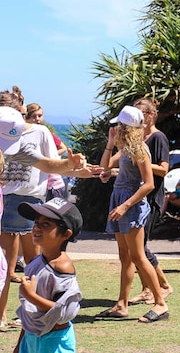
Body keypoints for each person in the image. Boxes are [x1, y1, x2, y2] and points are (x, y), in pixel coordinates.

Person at [0, 100, 96, 331]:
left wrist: (68, 165)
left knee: (8, 267)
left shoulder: (18, 143)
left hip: (19, 201)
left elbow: (47, 164)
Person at [11, 198, 83, 353]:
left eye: (46, 224)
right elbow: (29, 310)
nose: (36, 228)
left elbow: (64, 314)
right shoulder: (35, 262)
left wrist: (31, 295)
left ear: (66, 235)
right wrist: (21, 342)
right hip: (31, 342)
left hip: (51, 345)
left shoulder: (62, 268)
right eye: (36, 222)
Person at [97, 106, 169, 323]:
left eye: (119, 125)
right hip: (120, 200)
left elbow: (148, 184)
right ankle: (122, 304)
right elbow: (104, 166)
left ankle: (160, 303)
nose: (116, 128)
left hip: (131, 204)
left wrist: (125, 206)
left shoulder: (140, 149)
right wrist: (110, 143)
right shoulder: (126, 147)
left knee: (138, 255)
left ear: (128, 127)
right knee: (125, 256)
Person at [129, 97, 173, 306]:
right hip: (137, 196)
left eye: (141, 114)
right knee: (135, 249)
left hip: (152, 197)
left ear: (151, 115)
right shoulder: (137, 139)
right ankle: (147, 288)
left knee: (141, 248)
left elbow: (164, 169)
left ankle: (163, 285)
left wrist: (143, 162)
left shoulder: (158, 138)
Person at [25, 103, 68, 200]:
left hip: (52, 183)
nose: (37, 119)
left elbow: (63, 148)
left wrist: (48, 157)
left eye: (39, 116)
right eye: (33, 116)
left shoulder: (46, 133)